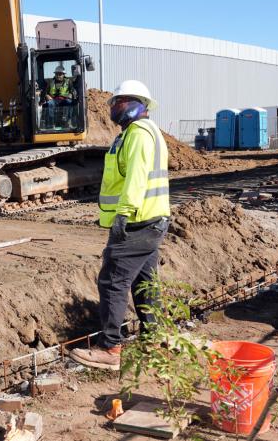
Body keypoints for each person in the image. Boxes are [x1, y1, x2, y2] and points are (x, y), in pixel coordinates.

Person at [70, 80, 171, 371]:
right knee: (144, 282)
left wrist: (123, 215)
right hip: (150, 220)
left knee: (112, 281)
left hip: (137, 222)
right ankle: (154, 339)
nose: (114, 108)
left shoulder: (138, 134)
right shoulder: (139, 133)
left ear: (137, 103)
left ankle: (110, 348)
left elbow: (136, 178)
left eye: (119, 102)